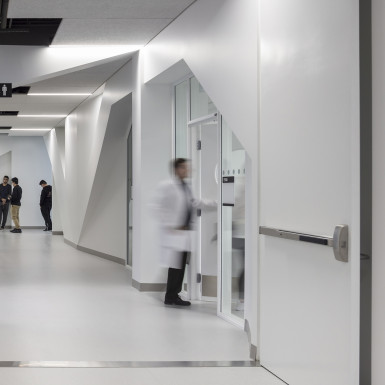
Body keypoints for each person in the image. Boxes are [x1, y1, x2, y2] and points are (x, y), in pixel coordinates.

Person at [154, 158, 216, 307]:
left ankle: (174, 295)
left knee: (180, 266)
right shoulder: (167, 186)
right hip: (175, 233)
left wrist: (217, 203)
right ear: (176, 169)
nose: (187, 170)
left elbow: (194, 203)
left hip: (184, 234)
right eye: (183, 168)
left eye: (187, 168)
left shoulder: (185, 187)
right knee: (175, 267)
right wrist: (171, 225)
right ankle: (170, 297)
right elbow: (156, 206)